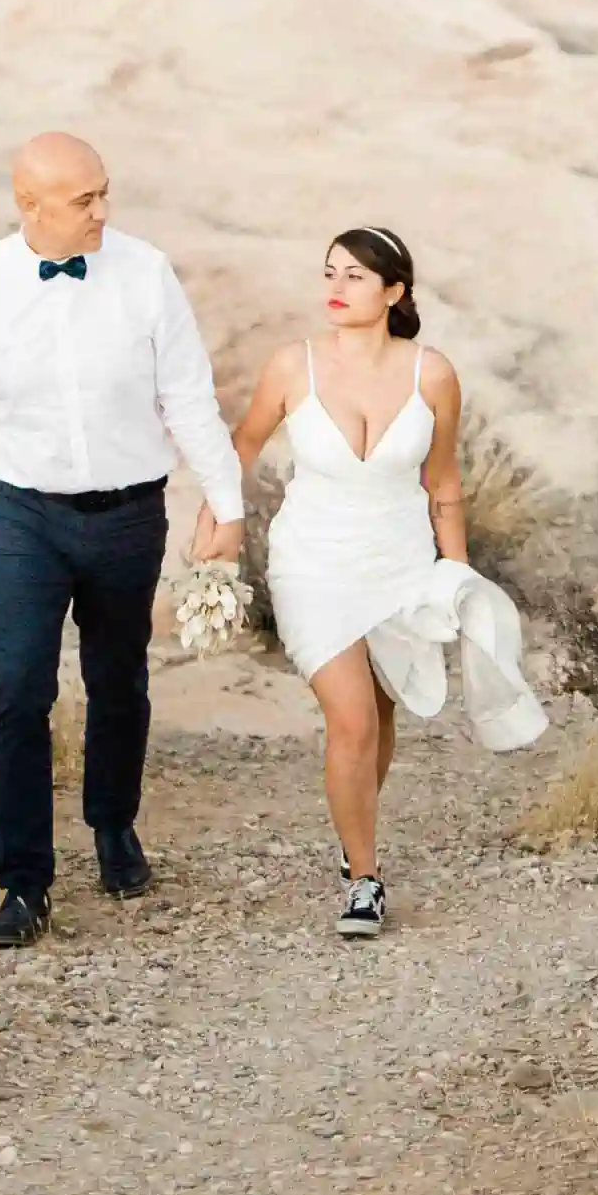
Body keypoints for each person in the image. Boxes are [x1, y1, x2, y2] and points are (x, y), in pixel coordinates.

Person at [0, 132, 245, 947]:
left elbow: (190, 397)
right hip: (23, 517)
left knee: (118, 681)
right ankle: (24, 883)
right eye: (84, 200)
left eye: (106, 192)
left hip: (131, 513)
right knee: (19, 692)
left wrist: (227, 501)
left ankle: (112, 826)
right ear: (29, 206)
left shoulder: (146, 273)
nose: (104, 210)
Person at [232, 224, 546, 935]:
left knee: (380, 716)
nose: (335, 289)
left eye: (355, 277)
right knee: (348, 719)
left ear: (394, 291)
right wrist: (220, 523)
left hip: (399, 564)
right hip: (311, 563)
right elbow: (244, 443)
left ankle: (353, 832)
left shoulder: (431, 373)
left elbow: (444, 481)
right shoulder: (293, 365)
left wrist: (455, 569)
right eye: (330, 273)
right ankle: (364, 880)